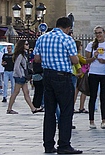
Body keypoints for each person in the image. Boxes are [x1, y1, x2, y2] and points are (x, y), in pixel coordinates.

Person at [35, 16, 83, 155]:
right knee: (66, 111)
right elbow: (74, 60)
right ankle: (64, 145)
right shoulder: (67, 39)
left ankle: (48, 145)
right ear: (68, 28)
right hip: (63, 77)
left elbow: (37, 59)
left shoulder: (42, 38)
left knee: (49, 112)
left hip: (48, 76)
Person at [84, 26, 105, 128]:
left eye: (100, 33)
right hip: (93, 72)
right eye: (96, 33)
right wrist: (94, 57)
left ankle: (103, 120)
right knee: (93, 96)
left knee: (103, 97)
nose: (98, 35)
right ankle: (91, 120)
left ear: (104, 33)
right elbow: (86, 60)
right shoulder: (91, 45)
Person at [6, 40, 37, 114]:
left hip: (23, 76)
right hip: (20, 76)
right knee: (16, 92)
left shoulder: (23, 54)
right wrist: (20, 75)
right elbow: (16, 67)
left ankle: (33, 108)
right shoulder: (20, 55)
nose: (28, 45)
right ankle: (9, 109)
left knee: (26, 92)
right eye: (26, 44)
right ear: (22, 45)